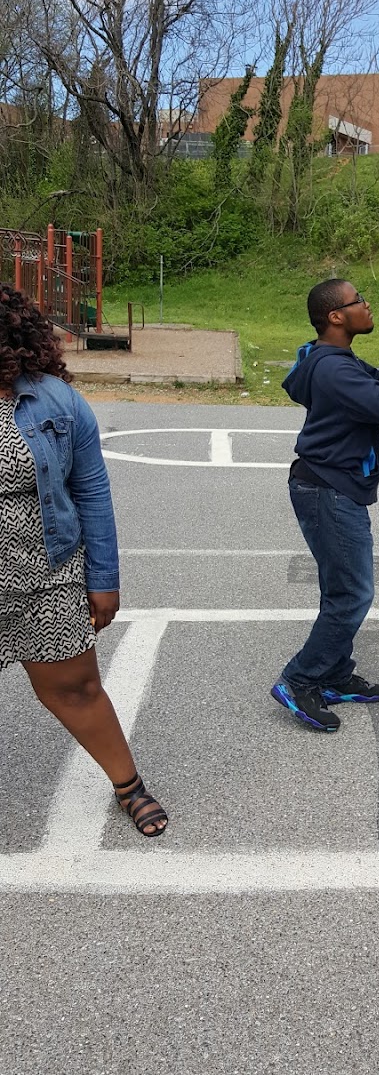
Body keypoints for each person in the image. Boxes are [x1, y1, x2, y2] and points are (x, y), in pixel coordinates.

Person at [0, 282, 167, 837]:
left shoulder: (54, 401)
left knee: (76, 689)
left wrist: (103, 579)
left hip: (44, 577)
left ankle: (129, 786)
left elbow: (92, 491)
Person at [271, 278, 379, 733]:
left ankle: (332, 674)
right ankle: (299, 679)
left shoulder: (334, 361)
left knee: (340, 590)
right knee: (354, 594)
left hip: (329, 486)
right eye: (359, 301)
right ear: (336, 316)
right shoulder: (332, 369)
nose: (368, 306)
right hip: (328, 490)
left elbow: (378, 383)